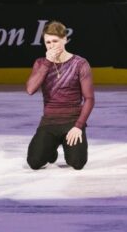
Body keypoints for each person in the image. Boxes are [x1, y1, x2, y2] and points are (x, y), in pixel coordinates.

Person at [26, 20, 94, 171]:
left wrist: (78, 126)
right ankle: (51, 150)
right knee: (34, 162)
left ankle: (66, 143)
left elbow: (89, 99)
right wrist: (48, 62)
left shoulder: (80, 63)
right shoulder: (40, 63)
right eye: (48, 42)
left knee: (77, 163)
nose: (51, 45)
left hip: (72, 122)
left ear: (65, 39)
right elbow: (30, 89)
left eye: (55, 41)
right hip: (49, 122)